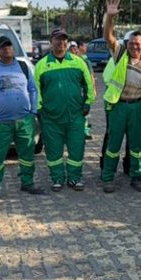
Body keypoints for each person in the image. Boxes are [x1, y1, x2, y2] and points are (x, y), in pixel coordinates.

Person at [98, 0, 141, 193]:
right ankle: (108, 178)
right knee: (113, 144)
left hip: (138, 108)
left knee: (136, 147)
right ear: (126, 45)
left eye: (138, 44)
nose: (134, 47)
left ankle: (136, 176)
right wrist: (110, 16)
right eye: (131, 44)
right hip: (119, 107)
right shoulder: (120, 55)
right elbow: (108, 36)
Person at [0, 36, 45, 199]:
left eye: (9, 46)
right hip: (1, 123)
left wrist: (33, 111)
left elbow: (33, 89)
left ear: (13, 49)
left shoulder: (23, 67)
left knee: (27, 154)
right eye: (3, 47)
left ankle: (27, 183)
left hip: (25, 121)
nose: (7, 49)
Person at [37, 28, 96, 192]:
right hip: (51, 118)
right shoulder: (41, 65)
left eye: (64, 40)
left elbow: (89, 84)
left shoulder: (78, 62)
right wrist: (40, 109)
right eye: (57, 39)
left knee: (77, 149)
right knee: (53, 150)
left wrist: (88, 102)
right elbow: (36, 90)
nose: (61, 43)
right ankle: (57, 178)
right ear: (51, 42)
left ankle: (74, 178)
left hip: (75, 116)